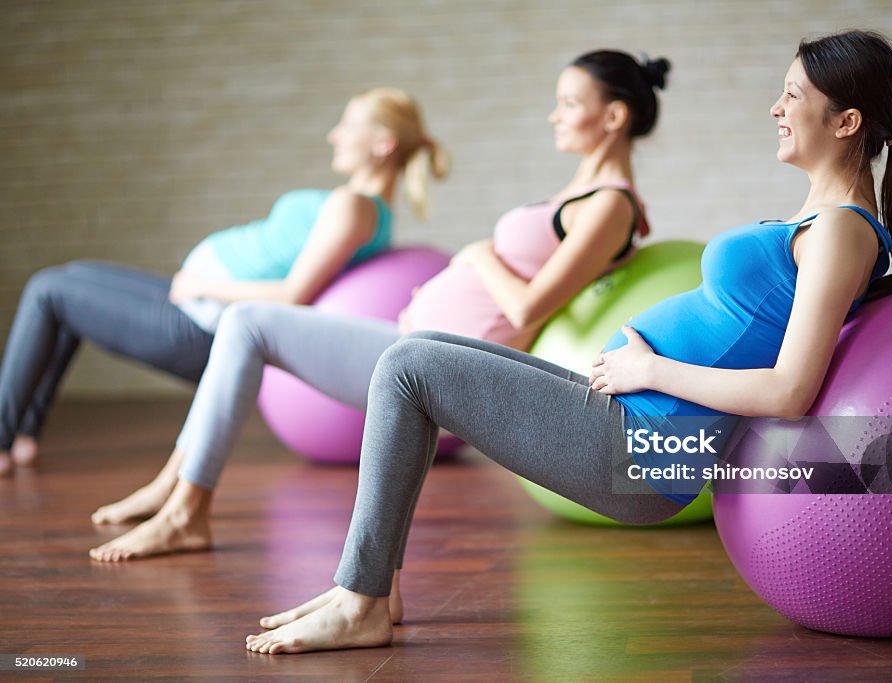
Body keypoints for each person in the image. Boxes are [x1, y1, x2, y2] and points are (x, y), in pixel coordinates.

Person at [237, 30, 892, 655]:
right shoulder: (818, 221)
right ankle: (372, 583)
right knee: (423, 348)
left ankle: (362, 597)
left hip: (642, 449)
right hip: (626, 419)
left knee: (407, 365)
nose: (775, 106)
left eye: (793, 94)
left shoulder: (841, 232)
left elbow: (790, 388)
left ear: (847, 121)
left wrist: (648, 365)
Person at [87, 50, 672, 578]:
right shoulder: (579, 195)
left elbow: (528, 305)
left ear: (614, 117)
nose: (555, 115)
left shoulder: (610, 205)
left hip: (444, 365)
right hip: (409, 341)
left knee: (247, 321)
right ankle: (176, 489)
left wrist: (478, 257)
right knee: (247, 326)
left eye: (569, 102)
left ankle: (185, 507)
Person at [0, 87, 446, 476]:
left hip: (202, 325)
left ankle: (4, 437)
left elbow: (293, 295)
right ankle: (24, 435)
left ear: (384, 143)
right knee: (70, 276)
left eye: (348, 125)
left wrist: (204, 287)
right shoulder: (367, 208)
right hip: (195, 306)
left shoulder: (355, 207)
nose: (335, 134)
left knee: (48, 289)